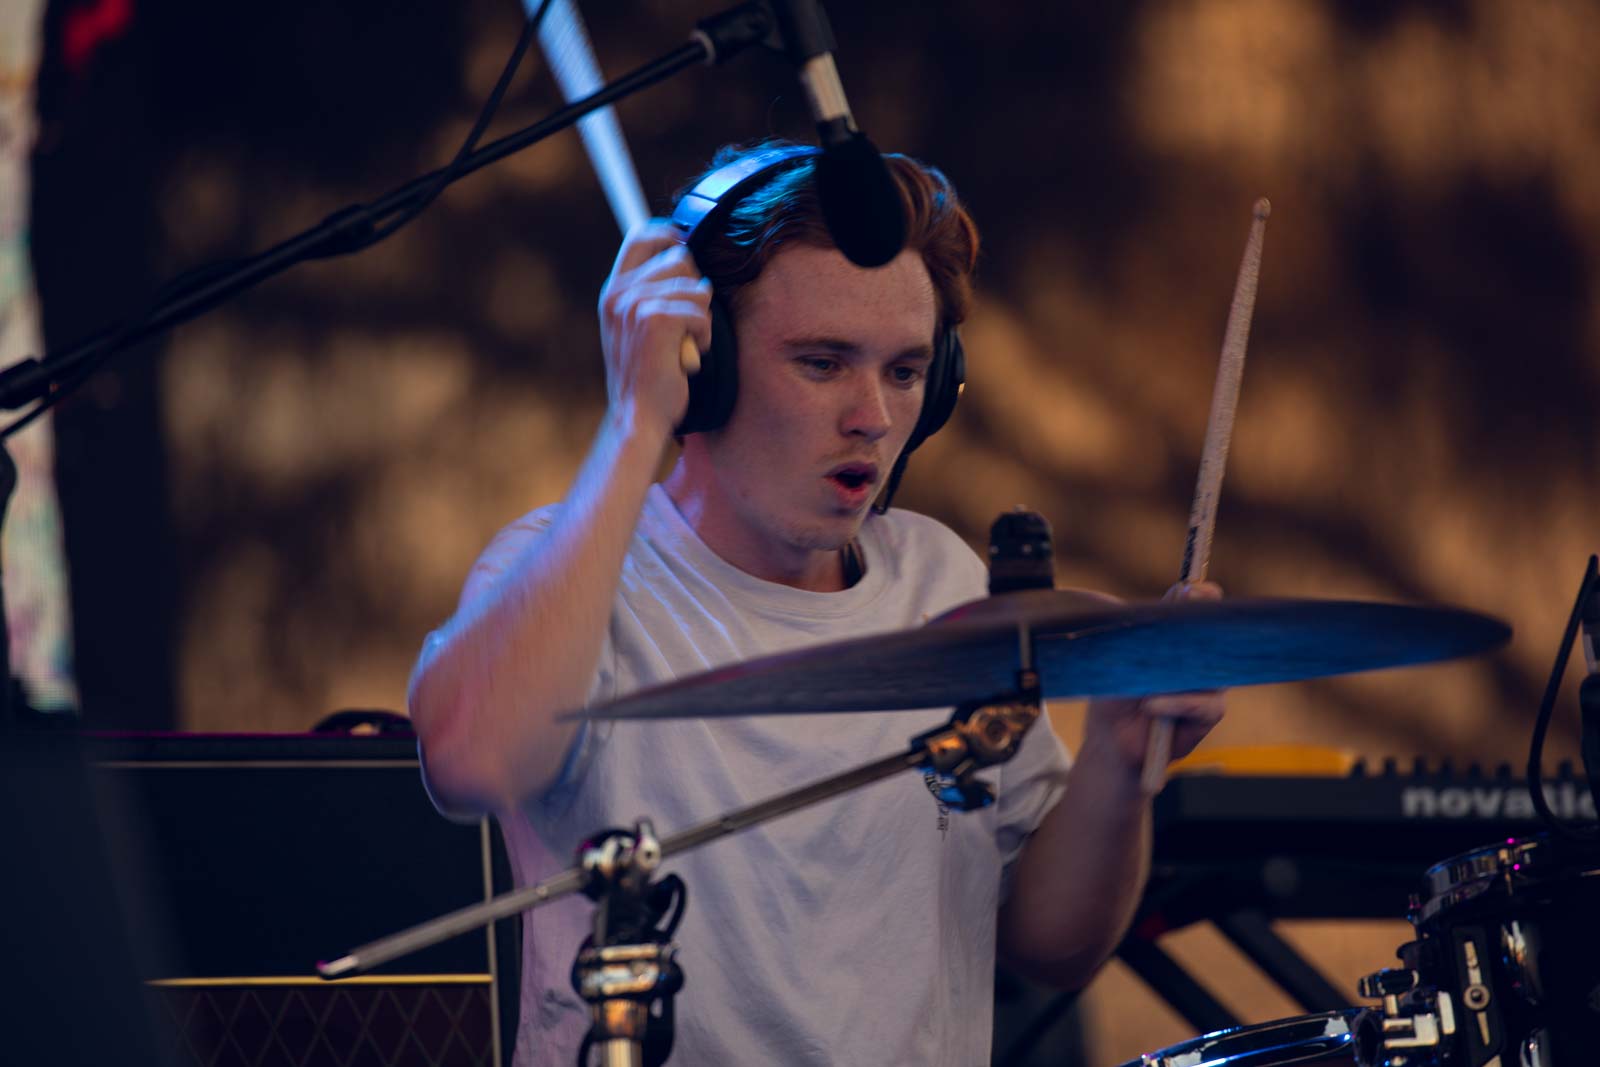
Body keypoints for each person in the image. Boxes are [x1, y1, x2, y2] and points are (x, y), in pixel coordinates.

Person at [408, 141, 1224, 1066]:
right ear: (702, 366)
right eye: (824, 362)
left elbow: (1050, 943)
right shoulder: (567, 570)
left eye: (905, 371)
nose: (871, 414)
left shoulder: (943, 583)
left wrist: (1122, 761)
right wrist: (637, 418)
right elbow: (470, 763)